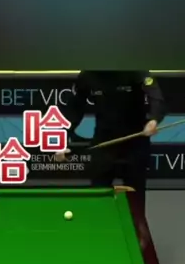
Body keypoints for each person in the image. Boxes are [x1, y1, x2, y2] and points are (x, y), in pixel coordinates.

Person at [63, 71, 166, 206]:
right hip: (104, 142)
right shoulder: (88, 74)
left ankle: (136, 217)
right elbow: (75, 108)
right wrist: (63, 139)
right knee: (98, 194)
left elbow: (156, 97)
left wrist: (154, 119)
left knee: (135, 196)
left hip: (135, 142)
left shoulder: (137, 70)